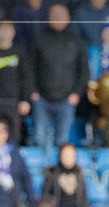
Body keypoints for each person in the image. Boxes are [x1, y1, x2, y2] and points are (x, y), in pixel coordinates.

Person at [29, 4, 88, 158]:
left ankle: (57, 177)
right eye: (54, 15)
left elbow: (84, 72)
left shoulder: (77, 41)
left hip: (66, 100)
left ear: (68, 18)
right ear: (48, 18)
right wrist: (33, 91)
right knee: (39, 139)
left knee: (62, 142)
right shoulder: (39, 39)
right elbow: (29, 69)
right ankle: (42, 176)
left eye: (61, 16)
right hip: (41, 98)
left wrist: (76, 93)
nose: (57, 19)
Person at [42, 143, 90, 207]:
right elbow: (45, 198)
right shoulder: (51, 175)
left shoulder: (79, 175)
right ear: (60, 156)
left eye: (71, 155)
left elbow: (84, 201)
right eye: (66, 155)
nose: (68, 158)